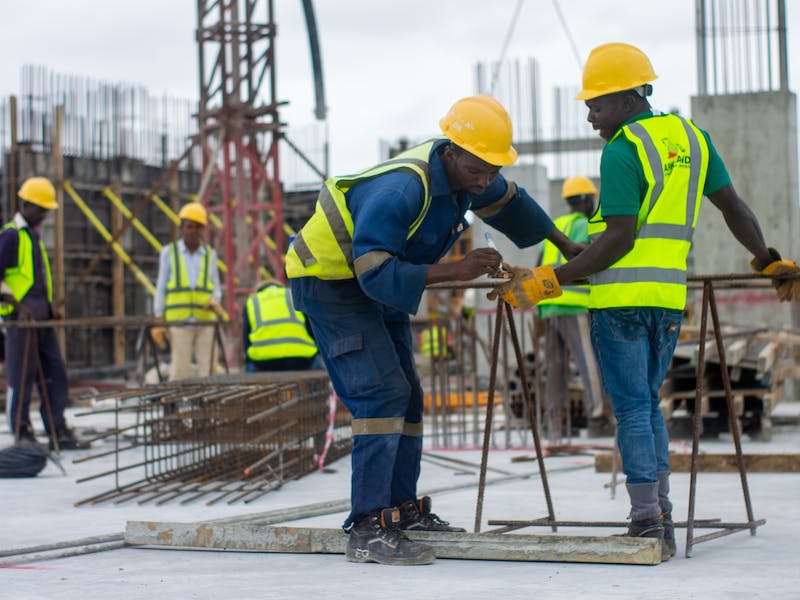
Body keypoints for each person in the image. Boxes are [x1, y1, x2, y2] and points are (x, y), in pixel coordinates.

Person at [493, 42, 800, 561]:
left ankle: (647, 523)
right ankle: (660, 513)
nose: (591, 116)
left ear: (628, 96)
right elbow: (734, 208)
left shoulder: (621, 149)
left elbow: (618, 240)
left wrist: (548, 281)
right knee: (648, 406)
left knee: (632, 409)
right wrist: (768, 258)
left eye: (597, 104)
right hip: (666, 301)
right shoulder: (693, 137)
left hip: (621, 303)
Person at [286, 94, 579, 565]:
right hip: (331, 282)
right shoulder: (401, 191)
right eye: (478, 171)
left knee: (409, 396)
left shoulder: (470, 169)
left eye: (491, 171)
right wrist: (457, 270)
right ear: (452, 151)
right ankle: (367, 526)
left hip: (371, 279)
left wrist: (568, 247)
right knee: (381, 394)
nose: (484, 181)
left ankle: (401, 511)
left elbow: (513, 205)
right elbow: (375, 272)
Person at [0, 177, 87, 450]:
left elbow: (33, 280)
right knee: (20, 378)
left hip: (41, 320)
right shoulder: (11, 235)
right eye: (41, 209)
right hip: (21, 322)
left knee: (54, 374)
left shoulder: (33, 237)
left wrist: (50, 308)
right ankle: (21, 431)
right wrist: (17, 306)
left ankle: (57, 428)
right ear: (26, 205)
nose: (44, 215)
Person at [537, 176, 611, 440]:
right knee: (587, 363)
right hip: (574, 304)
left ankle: (553, 422)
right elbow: (594, 258)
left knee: (555, 367)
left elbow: (539, 263)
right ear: (585, 199)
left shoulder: (556, 227)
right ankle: (597, 417)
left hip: (549, 306)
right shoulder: (585, 226)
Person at [152, 202, 224, 381]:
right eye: (189, 226)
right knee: (180, 369)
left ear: (203, 230)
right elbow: (161, 286)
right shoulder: (169, 253)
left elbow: (215, 285)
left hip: (205, 320)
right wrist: (159, 317)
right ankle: (176, 407)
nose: (193, 231)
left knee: (208, 370)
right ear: (182, 228)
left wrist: (215, 300)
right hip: (179, 321)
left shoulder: (209, 255)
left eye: (198, 227)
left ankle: (209, 405)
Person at [242, 278, 319, 372]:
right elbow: (312, 329)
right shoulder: (293, 294)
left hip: (264, 362)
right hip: (301, 359)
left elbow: (246, 340)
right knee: (320, 366)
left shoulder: (252, 302)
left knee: (249, 366)